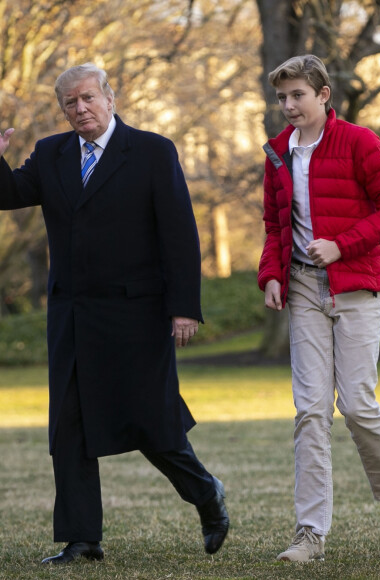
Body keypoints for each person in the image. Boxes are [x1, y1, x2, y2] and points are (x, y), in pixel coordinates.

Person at [0, 63, 229, 564]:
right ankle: (82, 540)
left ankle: (207, 494)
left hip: (137, 311)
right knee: (70, 425)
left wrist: (184, 307)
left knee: (151, 420)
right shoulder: (50, 153)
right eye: (69, 104)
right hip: (72, 314)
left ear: (109, 97)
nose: (79, 109)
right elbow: (8, 194)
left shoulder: (151, 151)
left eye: (87, 98)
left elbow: (179, 233)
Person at [257, 54, 380, 562]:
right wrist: (269, 274)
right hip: (304, 290)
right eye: (282, 97)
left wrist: (341, 244)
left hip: (356, 287)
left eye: (297, 95)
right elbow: (273, 224)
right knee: (310, 410)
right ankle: (311, 533)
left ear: (323, 94)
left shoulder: (359, 141)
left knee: (355, 403)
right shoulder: (277, 152)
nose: (288, 105)